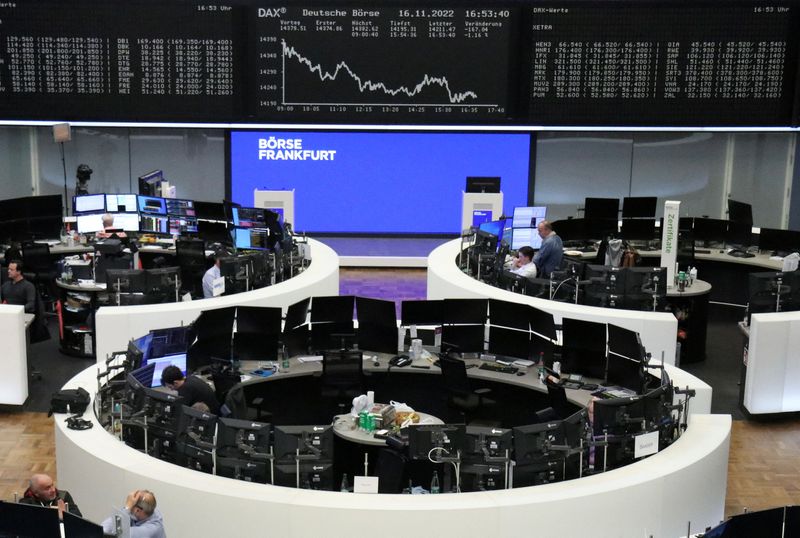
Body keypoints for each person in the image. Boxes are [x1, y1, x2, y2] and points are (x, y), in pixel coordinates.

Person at [101, 489, 166, 538]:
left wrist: (128, 507)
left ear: (137, 510)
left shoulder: (151, 529)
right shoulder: (146, 509)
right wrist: (127, 509)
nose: (129, 508)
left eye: (131, 505)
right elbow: (105, 527)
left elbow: (119, 534)